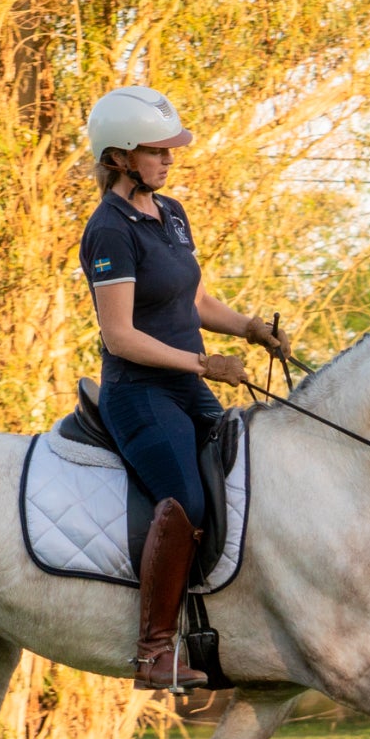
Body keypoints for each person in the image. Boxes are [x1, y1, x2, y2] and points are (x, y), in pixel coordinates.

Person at [80, 85, 291, 691]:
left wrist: (249, 328)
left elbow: (192, 299)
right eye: (157, 151)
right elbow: (119, 336)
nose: (170, 160)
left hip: (184, 385)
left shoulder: (171, 213)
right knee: (188, 502)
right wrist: (205, 366)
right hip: (139, 392)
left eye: (172, 150)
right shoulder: (109, 230)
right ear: (120, 156)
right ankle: (152, 653)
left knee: (244, 477)